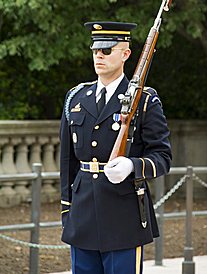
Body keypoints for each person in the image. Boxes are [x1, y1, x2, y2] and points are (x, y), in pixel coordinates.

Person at [60, 21, 172, 274]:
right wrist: (67, 210)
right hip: (83, 214)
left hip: (123, 216)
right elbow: (67, 162)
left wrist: (133, 165)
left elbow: (163, 156)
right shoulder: (76, 98)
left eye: (107, 50)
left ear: (126, 54)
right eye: (95, 50)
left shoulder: (145, 101)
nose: (99, 55)